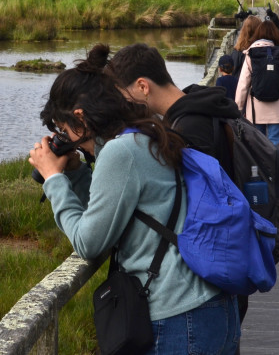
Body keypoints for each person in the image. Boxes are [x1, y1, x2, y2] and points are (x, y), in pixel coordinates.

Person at [29, 44, 240, 353]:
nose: (67, 141)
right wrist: (75, 173)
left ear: (80, 117)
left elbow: (88, 242)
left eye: (64, 130)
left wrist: (53, 179)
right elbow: (113, 211)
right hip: (210, 307)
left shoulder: (121, 152)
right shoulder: (146, 133)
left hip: (180, 317)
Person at [108, 42, 240, 178]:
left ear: (143, 87)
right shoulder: (204, 104)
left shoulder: (187, 130)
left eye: (125, 96)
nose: (126, 103)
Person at [234, 19, 279, 147]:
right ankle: (274, 160)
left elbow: (243, 84)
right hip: (278, 107)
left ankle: (260, 161)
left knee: (257, 145)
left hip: (255, 109)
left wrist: (238, 107)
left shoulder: (251, 53)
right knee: (275, 144)